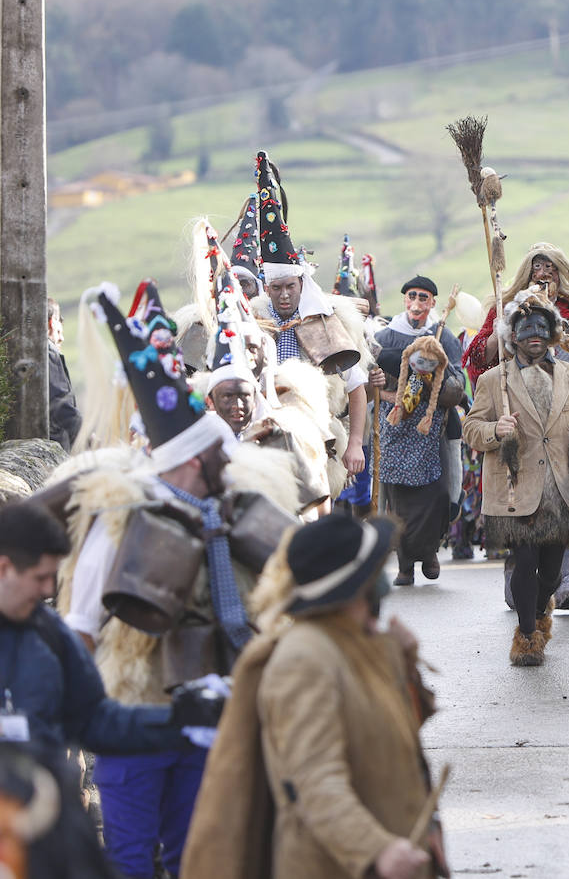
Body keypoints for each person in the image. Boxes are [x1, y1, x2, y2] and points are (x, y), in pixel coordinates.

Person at [58, 281, 295, 879]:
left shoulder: (236, 511)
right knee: (132, 859)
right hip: (134, 713)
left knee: (201, 856)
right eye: (217, 452)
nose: (230, 457)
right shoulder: (115, 518)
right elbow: (81, 627)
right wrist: (82, 724)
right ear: (192, 457)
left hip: (211, 717)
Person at [183, 514, 445, 879]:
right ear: (355, 588)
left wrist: (407, 666)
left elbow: (397, 732)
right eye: (374, 574)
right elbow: (314, 782)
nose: (382, 585)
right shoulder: (303, 660)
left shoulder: (359, 642)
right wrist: (375, 849)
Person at [0, 501, 193, 879]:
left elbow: (97, 720)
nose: (47, 591)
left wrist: (183, 719)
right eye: (40, 578)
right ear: (4, 567)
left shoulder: (50, 636)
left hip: (45, 842)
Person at [464, 292, 569, 666]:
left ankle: (543, 609)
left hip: (561, 489)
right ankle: (527, 635)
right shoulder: (495, 380)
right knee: (524, 562)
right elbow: (471, 430)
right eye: (526, 329)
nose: (534, 336)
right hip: (514, 487)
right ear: (513, 336)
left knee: (551, 571)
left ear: (553, 333)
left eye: (541, 329)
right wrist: (496, 428)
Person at [246, 150, 372, 484]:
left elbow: (356, 387)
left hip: (317, 434)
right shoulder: (252, 323)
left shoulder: (324, 321)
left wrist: (355, 443)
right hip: (263, 430)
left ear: (301, 283)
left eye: (290, 286)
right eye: (276, 288)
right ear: (267, 287)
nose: (284, 294)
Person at [375, 276, 467, 584]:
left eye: (423, 297)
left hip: (433, 426)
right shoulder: (384, 337)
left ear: (432, 303)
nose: (416, 302)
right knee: (399, 498)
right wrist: (386, 391)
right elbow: (368, 376)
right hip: (397, 424)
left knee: (439, 492)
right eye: (412, 295)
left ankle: (429, 551)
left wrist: (440, 382)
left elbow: (458, 379)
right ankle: (404, 563)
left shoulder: (444, 336)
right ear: (404, 300)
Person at [47, 298, 82, 452]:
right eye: (59, 331)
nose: (61, 338)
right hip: (53, 446)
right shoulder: (48, 352)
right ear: (51, 323)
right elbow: (60, 403)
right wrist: (87, 436)